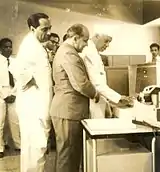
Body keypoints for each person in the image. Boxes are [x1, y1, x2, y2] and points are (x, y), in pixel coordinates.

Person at [50, 24, 100, 172]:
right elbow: (81, 84)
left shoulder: (64, 51)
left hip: (67, 110)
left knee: (68, 154)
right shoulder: (69, 54)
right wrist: (95, 94)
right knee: (68, 156)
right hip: (69, 110)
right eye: (85, 41)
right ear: (75, 38)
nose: (85, 45)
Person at [10, 13, 53, 172]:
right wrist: (32, 81)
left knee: (37, 149)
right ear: (32, 28)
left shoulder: (36, 43)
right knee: (35, 149)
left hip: (38, 105)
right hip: (33, 107)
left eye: (49, 28)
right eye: (44, 29)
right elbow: (15, 68)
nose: (48, 33)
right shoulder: (29, 45)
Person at [81, 33, 132, 119]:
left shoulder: (94, 52)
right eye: (106, 41)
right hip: (93, 103)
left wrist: (108, 102)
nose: (107, 45)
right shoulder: (90, 53)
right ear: (97, 36)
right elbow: (97, 84)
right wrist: (118, 98)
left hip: (98, 100)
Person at [0, 38, 20, 158]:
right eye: (5, 47)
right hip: (1, 92)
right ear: (0, 48)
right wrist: (4, 95)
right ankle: (0, 147)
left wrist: (14, 93)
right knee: (0, 121)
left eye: (10, 46)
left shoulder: (15, 61)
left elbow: (19, 78)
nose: (8, 49)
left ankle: (18, 144)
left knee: (14, 120)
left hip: (13, 91)